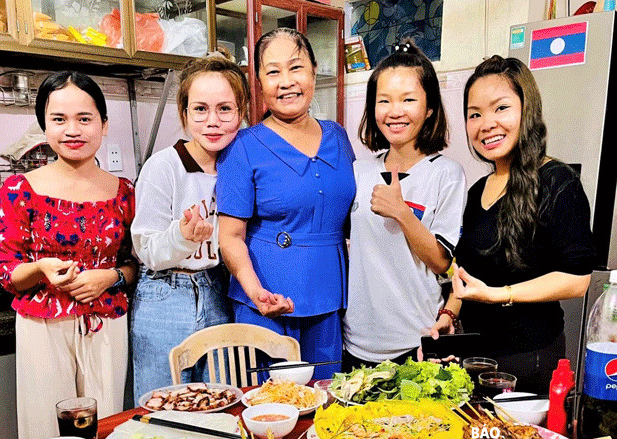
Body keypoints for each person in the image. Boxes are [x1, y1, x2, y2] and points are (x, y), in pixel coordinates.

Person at [0, 71, 136, 439]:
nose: (73, 130)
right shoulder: (20, 190)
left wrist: (110, 277)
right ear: (44, 125)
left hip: (106, 324)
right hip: (43, 326)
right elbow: (6, 271)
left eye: (84, 119)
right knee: (46, 433)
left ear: (104, 124)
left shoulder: (123, 191)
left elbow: (135, 263)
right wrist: (40, 268)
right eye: (59, 119)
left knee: (108, 431)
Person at [442, 56, 595, 393]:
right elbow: (465, 270)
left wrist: (499, 296)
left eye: (501, 108)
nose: (486, 123)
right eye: (475, 114)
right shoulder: (478, 190)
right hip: (477, 358)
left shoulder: (558, 182)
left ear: (527, 110)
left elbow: (577, 280)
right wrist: (449, 315)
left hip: (530, 358)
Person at [216, 28, 356, 380]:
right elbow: (230, 236)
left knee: (324, 403)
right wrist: (255, 290)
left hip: (328, 296)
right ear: (259, 82)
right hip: (265, 296)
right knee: (270, 409)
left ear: (313, 71)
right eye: (273, 71)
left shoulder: (338, 135)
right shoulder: (243, 146)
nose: (286, 82)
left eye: (296, 68)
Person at [342, 40, 466, 372]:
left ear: (429, 108)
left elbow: (441, 262)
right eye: (384, 101)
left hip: (416, 341)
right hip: (354, 341)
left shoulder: (446, 174)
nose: (395, 111)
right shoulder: (358, 171)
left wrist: (401, 213)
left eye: (408, 100)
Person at [130, 55, 249, 397]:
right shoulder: (164, 167)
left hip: (219, 291)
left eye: (225, 109)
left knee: (221, 402)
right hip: (165, 295)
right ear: (184, 115)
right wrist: (182, 237)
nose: (213, 121)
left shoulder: (239, 166)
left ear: (241, 113)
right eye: (200, 109)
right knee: (162, 405)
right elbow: (147, 248)